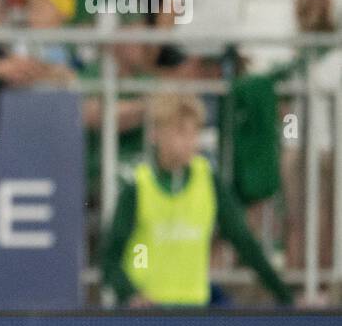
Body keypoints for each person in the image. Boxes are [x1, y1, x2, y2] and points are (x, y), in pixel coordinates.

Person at [102, 92, 293, 307]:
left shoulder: (208, 182)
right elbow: (110, 258)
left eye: (195, 133)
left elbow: (243, 241)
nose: (190, 142)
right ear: (155, 134)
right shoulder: (137, 186)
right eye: (180, 132)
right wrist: (131, 294)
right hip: (147, 313)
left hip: (193, 311)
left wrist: (285, 296)